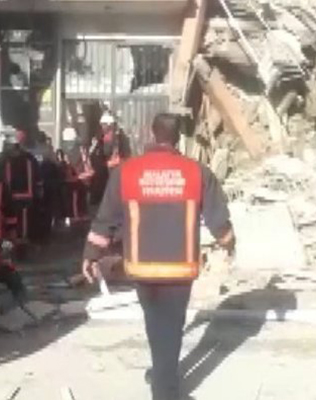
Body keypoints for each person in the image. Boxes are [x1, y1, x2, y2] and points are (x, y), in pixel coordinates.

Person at [81, 113, 235, 400]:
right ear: (178, 137)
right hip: (179, 270)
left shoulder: (127, 172)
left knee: (155, 325)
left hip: (143, 269)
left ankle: (163, 379)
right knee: (172, 327)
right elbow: (219, 222)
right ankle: (165, 389)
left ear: (152, 134)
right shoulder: (197, 172)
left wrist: (91, 255)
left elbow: (106, 220)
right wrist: (229, 243)